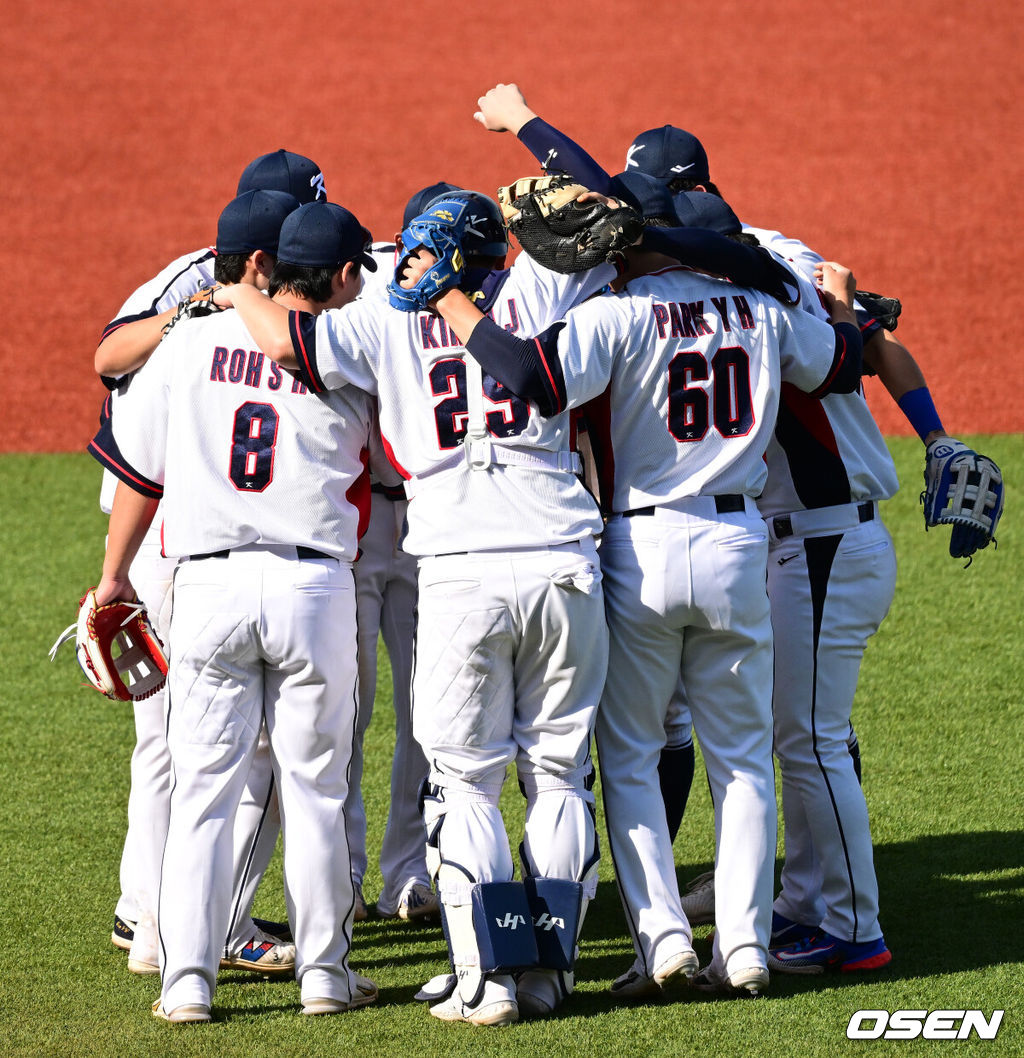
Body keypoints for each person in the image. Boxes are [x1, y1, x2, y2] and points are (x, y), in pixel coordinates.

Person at [409, 205, 866, 999]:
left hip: (640, 548)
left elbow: (529, 378)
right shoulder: (763, 308)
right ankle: (747, 946)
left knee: (626, 758)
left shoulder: (617, 312)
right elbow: (839, 368)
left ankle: (661, 942)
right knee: (743, 760)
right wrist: (843, 310)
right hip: (738, 543)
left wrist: (451, 301)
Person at [214, 188, 620, 1026]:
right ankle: (549, 975)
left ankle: (488, 981)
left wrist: (234, 289)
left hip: (462, 571)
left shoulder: (386, 322)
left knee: (465, 787)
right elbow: (604, 216)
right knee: (558, 779)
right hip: (564, 561)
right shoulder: (543, 288)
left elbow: (287, 342)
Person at [91, 199, 379, 1023]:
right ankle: (323, 977)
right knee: (316, 789)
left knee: (204, 792)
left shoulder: (186, 345)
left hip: (207, 588)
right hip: (313, 591)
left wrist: (114, 580)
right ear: (341, 277)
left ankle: (186, 982)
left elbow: (140, 477)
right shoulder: (351, 353)